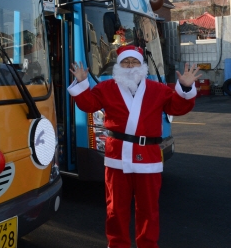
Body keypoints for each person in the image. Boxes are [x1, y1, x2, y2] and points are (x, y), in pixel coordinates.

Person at [68, 45, 201, 248]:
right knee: (115, 208)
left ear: (142, 65)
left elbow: (177, 106)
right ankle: (117, 244)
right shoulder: (106, 88)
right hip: (117, 157)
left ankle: (148, 245)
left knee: (148, 209)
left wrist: (184, 88)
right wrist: (81, 83)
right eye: (126, 62)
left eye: (134, 62)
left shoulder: (157, 88)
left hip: (148, 158)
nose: (130, 66)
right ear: (118, 65)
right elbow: (88, 104)